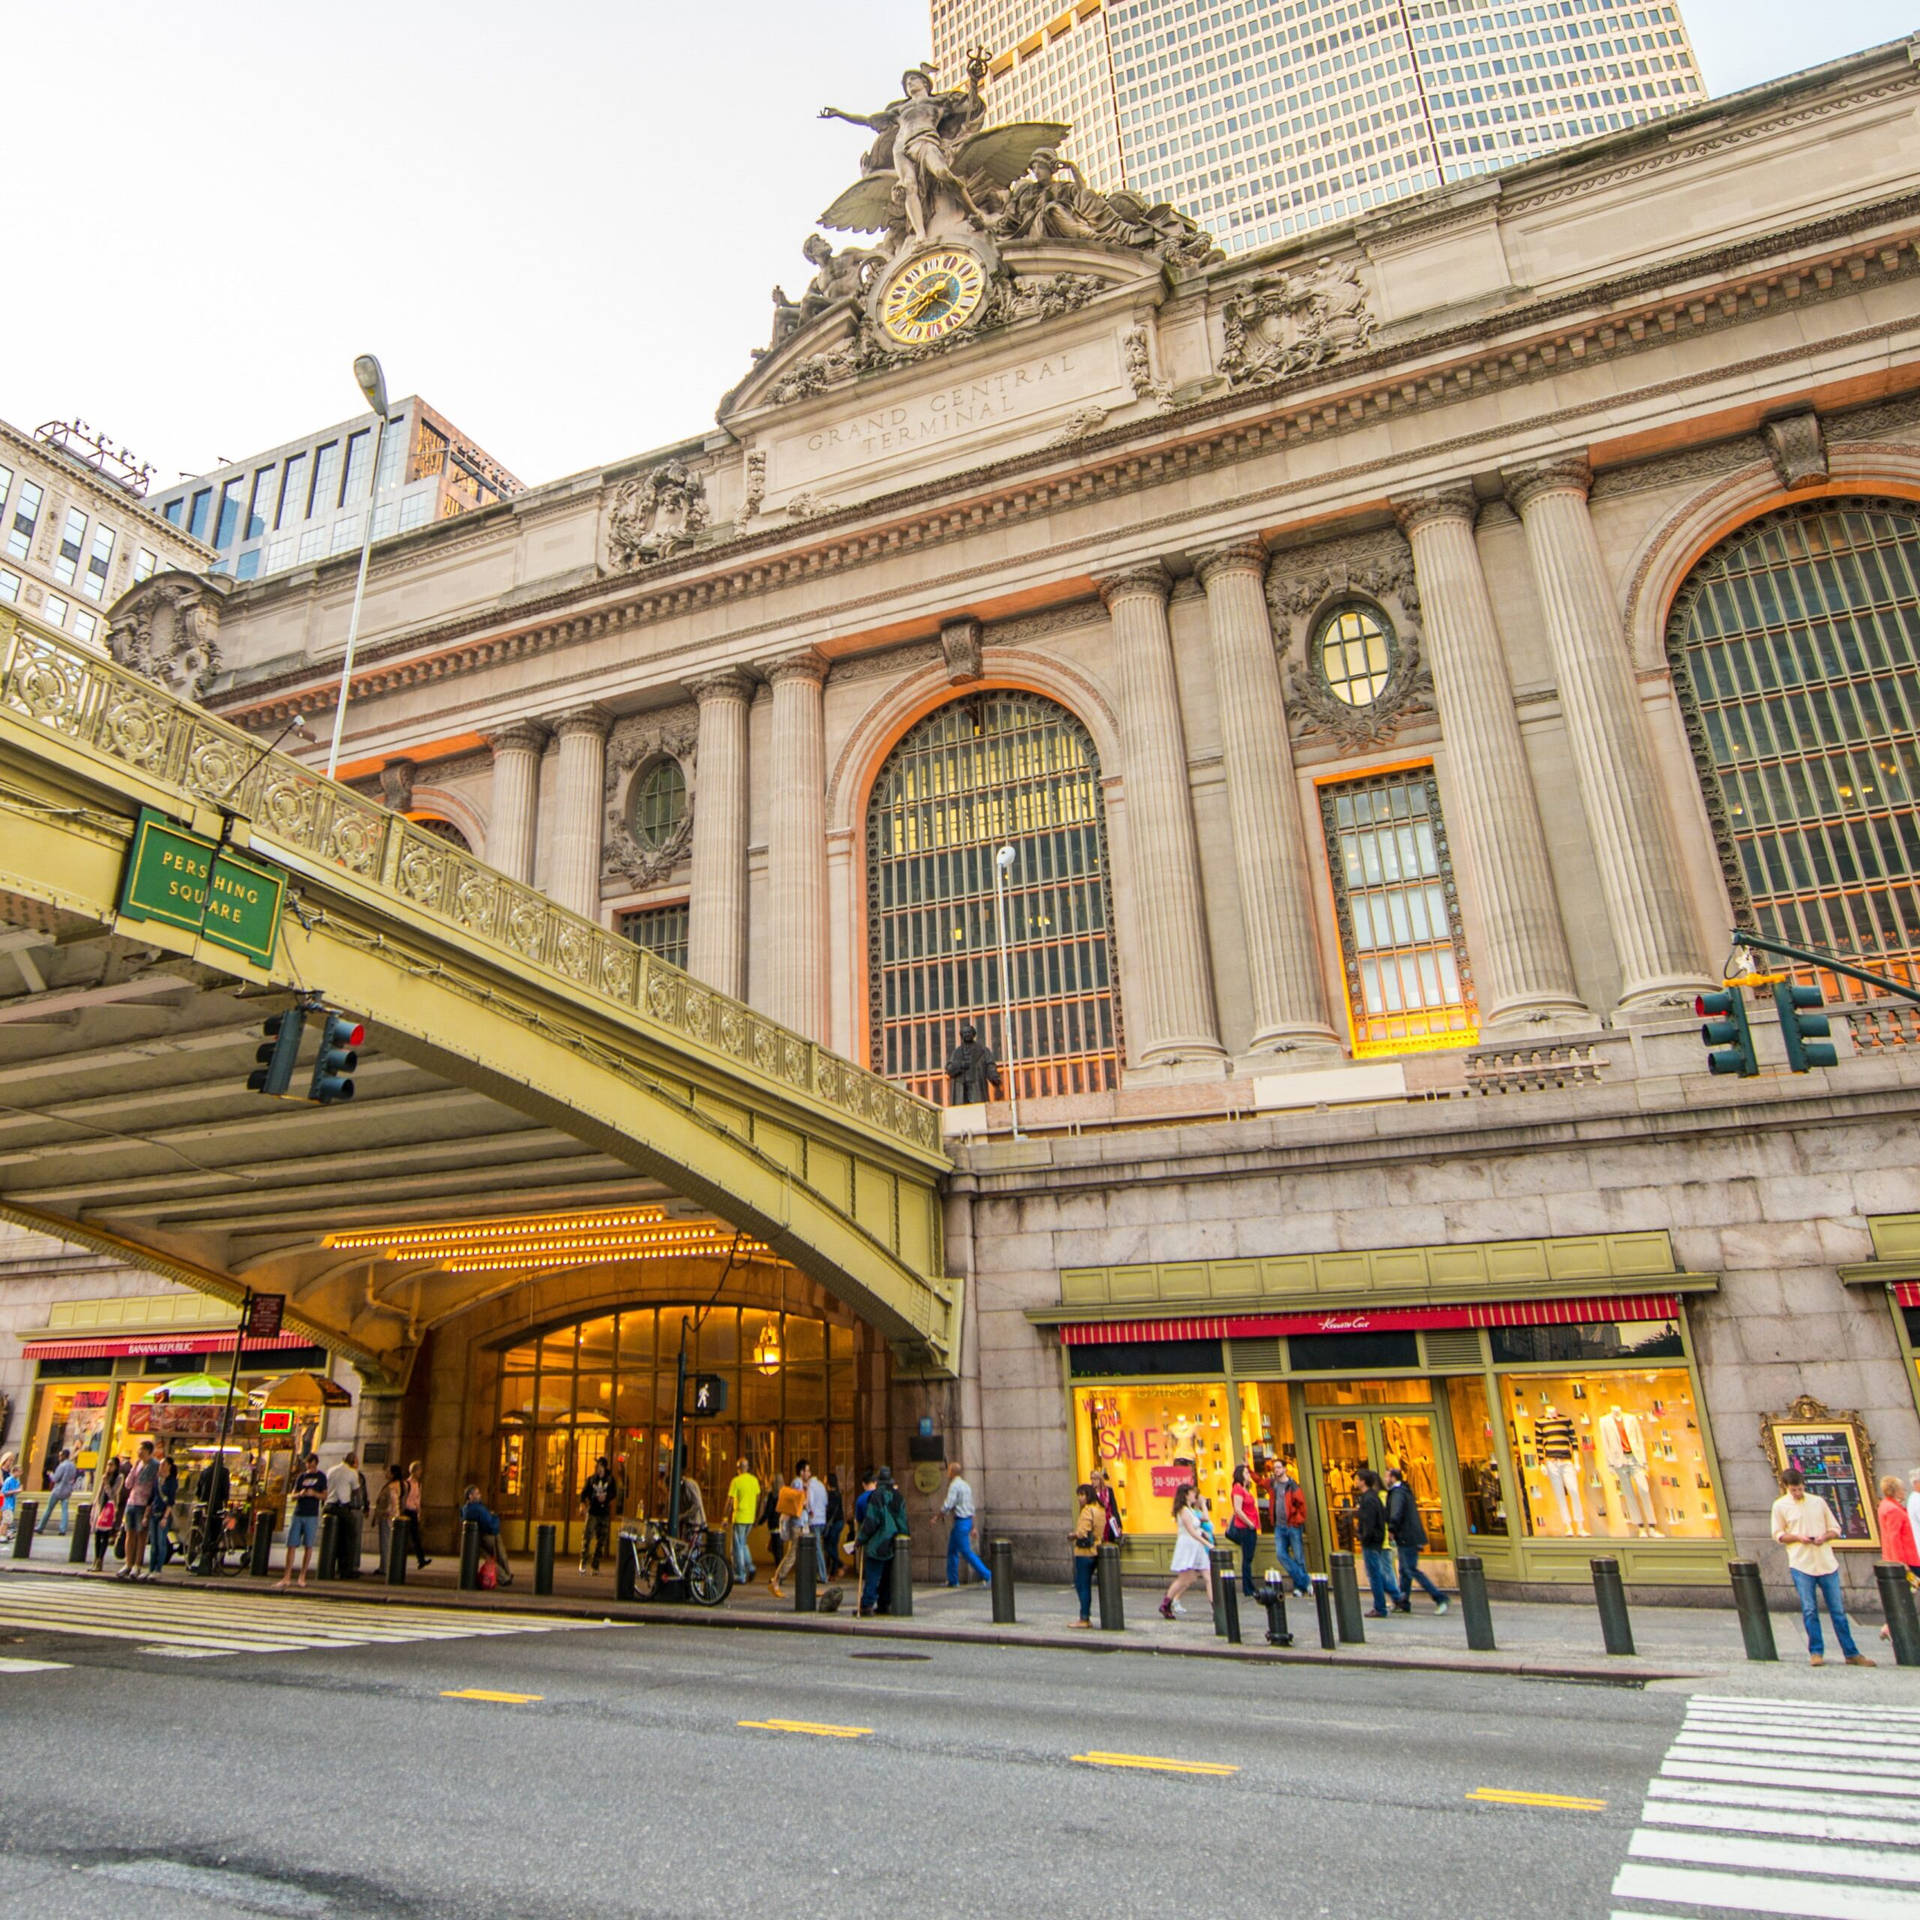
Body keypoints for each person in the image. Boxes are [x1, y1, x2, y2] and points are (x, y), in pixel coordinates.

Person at [1772, 1465, 1874, 1667]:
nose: (1798, 1492)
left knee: (1838, 1611)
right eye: (1794, 1490)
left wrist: (1824, 1537)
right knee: (1809, 1610)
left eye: (1800, 1488)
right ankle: (1816, 1652)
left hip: (1826, 1562)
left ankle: (1851, 1652)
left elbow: (1835, 1528)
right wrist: (1798, 1537)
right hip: (1801, 1563)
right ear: (1786, 1488)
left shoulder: (1818, 1502)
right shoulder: (1780, 1506)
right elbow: (1778, 1534)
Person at [1386, 1465, 1449, 1615]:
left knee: (1410, 1570)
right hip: (1409, 1536)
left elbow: (1396, 1513)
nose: (1385, 1479)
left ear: (1393, 1478)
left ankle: (1440, 1598)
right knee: (1405, 1570)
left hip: (1407, 1536)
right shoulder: (1404, 1491)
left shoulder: (1398, 1494)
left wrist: (1391, 1529)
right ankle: (1403, 1602)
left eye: (1387, 1476)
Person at [856, 1465, 909, 1617]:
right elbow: (903, 1521)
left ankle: (867, 1605)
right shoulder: (898, 1496)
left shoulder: (876, 1496)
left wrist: (860, 1539)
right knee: (887, 1574)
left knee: (873, 1573)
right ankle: (884, 1603)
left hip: (879, 1541)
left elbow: (871, 1520)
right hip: (895, 1542)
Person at [275, 1451, 328, 1590]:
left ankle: (302, 1576)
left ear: (316, 1464)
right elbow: (292, 1495)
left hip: (311, 1514)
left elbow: (324, 1496)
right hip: (298, 1513)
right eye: (308, 1465)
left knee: (308, 1546)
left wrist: (314, 1494)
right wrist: (301, 1494)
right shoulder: (301, 1477)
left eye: (312, 1465)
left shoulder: (321, 1477)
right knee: (291, 1545)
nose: (309, 1468)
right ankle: (287, 1576)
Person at [1159, 1482, 1212, 1620]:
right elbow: (1191, 1531)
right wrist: (1207, 1543)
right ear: (1186, 1495)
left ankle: (1215, 1607)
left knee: (1206, 1575)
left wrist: (1204, 1504)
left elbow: (1204, 1519)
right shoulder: (1183, 1510)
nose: (1195, 1494)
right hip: (1188, 1546)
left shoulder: (1189, 1510)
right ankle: (1166, 1603)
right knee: (1185, 1578)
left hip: (1196, 1546)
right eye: (1192, 1492)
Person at [1877, 1475, 1919, 1643]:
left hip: (1906, 1558)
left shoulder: (1888, 1506)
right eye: (1902, 1489)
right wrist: (1901, 1564)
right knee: (1908, 1593)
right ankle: (1890, 1627)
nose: (1904, 1492)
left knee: (1909, 1593)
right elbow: (1894, 1538)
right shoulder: (1893, 1510)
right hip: (1908, 1559)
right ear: (1895, 1491)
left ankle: (1889, 1627)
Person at [940, 1461, 993, 1589]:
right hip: (966, 1520)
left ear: (951, 1472)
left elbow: (949, 1503)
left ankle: (988, 1575)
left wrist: (939, 1514)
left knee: (966, 1551)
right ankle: (953, 1580)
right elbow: (971, 1507)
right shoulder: (966, 1485)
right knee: (952, 1550)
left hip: (960, 1521)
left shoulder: (954, 1486)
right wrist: (973, 1526)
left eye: (949, 1471)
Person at [1355, 1468, 1398, 1619]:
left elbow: (1370, 1522)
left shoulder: (1369, 1499)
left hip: (1372, 1542)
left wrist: (1364, 1537)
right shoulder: (1372, 1497)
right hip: (1375, 1541)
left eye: (1357, 1478)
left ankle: (1380, 1606)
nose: (1355, 1481)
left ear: (1363, 1481)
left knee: (1375, 1575)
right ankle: (1397, 1598)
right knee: (1377, 1574)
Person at [119, 1440, 160, 1582]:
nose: (138, 1452)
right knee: (129, 1533)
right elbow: (128, 1484)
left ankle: (137, 1564)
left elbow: (155, 1486)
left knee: (141, 1535)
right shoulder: (138, 1464)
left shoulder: (154, 1466)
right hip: (132, 1501)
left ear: (148, 1451)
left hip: (144, 1503)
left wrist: (150, 1506)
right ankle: (128, 1563)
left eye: (141, 1449)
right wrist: (134, 1468)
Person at [1270, 1461, 1312, 1596]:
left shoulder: (1292, 1485)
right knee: (1280, 1554)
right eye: (1274, 1468)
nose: (1276, 1470)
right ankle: (1305, 1581)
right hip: (1279, 1526)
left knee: (1298, 1556)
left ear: (1285, 1469)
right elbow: (1259, 1481)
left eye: (1278, 1467)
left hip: (1292, 1525)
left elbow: (1302, 1504)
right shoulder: (1274, 1485)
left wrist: (1297, 1520)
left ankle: (1299, 1587)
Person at [460, 1485, 514, 1585]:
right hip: (489, 1535)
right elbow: (490, 1524)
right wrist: (495, 1517)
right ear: (470, 1496)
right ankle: (505, 1577)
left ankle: (506, 1575)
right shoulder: (478, 1509)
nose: (480, 1495)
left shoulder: (466, 1509)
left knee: (497, 1555)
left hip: (483, 1535)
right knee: (495, 1557)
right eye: (477, 1493)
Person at [721, 1457, 760, 1584]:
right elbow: (758, 1498)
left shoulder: (736, 1481)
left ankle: (740, 1574)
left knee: (738, 1547)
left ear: (738, 1468)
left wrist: (725, 1516)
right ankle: (750, 1567)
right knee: (743, 1544)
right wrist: (756, 1516)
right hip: (750, 1517)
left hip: (739, 1516)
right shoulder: (754, 1480)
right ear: (747, 1467)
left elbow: (730, 1500)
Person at [1071, 1482, 1105, 1626]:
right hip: (1097, 1548)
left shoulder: (1087, 1511)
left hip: (1084, 1551)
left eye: (1082, 1495)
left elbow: (1082, 1532)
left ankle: (1084, 1618)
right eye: (1079, 1495)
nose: (1080, 1498)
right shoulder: (1100, 1509)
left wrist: (1073, 1535)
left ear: (1088, 1495)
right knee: (1086, 1584)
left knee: (1082, 1585)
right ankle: (1085, 1616)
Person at [1226, 1464, 1261, 1600]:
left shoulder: (1245, 1489)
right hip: (1245, 1528)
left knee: (1248, 1557)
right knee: (1247, 1558)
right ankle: (1248, 1588)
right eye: (1246, 1473)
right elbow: (1238, 1509)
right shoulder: (1238, 1489)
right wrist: (1249, 1523)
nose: (1248, 1475)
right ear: (1240, 1475)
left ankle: (1249, 1587)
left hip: (1250, 1527)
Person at [580, 1455, 618, 1574]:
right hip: (593, 1511)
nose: (597, 1468)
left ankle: (595, 1565)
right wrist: (582, 1504)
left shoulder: (610, 1480)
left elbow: (614, 1493)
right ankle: (583, 1561)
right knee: (587, 1536)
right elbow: (584, 1492)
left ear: (604, 1467)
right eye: (597, 1466)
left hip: (604, 1513)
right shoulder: (591, 1479)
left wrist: (606, 1497)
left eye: (600, 1466)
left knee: (601, 1540)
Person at [325, 1452, 361, 1575]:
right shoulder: (352, 1472)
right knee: (350, 1536)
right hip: (342, 1507)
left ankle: (327, 1566)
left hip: (328, 1506)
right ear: (353, 1462)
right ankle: (346, 1569)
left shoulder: (331, 1470)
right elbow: (356, 1491)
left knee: (333, 1537)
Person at [148, 1452, 180, 1577]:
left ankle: (158, 1569)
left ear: (169, 1466)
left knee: (161, 1542)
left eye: (163, 1464)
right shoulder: (157, 1480)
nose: (161, 1467)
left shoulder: (172, 1482)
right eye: (160, 1464)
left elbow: (171, 1501)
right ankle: (151, 1568)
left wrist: (165, 1517)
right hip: (154, 1512)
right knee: (154, 1543)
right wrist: (147, 1514)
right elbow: (152, 1497)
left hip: (163, 1514)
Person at [91, 1457, 123, 1572]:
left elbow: (113, 1494)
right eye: (108, 1464)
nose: (109, 1467)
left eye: (111, 1465)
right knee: (97, 1535)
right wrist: (95, 1504)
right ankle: (95, 1559)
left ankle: (100, 1560)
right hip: (101, 1506)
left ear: (116, 1467)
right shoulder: (104, 1476)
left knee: (104, 1535)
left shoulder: (119, 1478)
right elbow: (99, 1492)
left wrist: (106, 1483)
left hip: (109, 1507)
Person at [401, 1460, 432, 1569]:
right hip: (406, 1511)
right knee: (403, 1537)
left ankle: (421, 1559)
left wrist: (419, 1512)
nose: (421, 1473)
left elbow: (418, 1499)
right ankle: (400, 1558)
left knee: (415, 1537)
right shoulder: (406, 1484)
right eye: (419, 1470)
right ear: (413, 1471)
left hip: (413, 1512)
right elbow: (403, 1498)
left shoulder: (418, 1484)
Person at [374, 1464, 404, 1571]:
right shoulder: (399, 1484)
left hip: (388, 1517)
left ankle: (385, 1566)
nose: (386, 1473)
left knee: (385, 1542)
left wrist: (388, 1513)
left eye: (388, 1472)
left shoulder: (392, 1486)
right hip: (392, 1516)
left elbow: (393, 1502)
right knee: (388, 1542)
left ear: (393, 1474)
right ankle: (386, 1565)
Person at [44, 1449, 78, 1535]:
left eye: (60, 1455)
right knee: (65, 1510)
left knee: (49, 1509)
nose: (59, 1457)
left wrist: (50, 1474)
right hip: (67, 1491)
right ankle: (63, 1529)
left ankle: (40, 1526)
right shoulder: (73, 1466)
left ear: (64, 1456)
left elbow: (55, 1478)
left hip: (58, 1490)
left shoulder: (62, 1466)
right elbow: (73, 1478)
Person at [1089, 1466, 1124, 1547]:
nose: (1093, 1481)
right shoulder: (1090, 1492)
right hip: (1097, 1525)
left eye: (1095, 1479)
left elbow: (1114, 1508)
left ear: (1100, 1479)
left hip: (1109, 1523)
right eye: (1091, 1479)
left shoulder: (1108, 1491)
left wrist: (1119, 1525)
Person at [823, 1471, 847, 1577]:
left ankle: (841, 1564)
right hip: (839, 1522)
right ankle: (833, 1572)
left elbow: (830, 1510)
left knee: (828, 1546)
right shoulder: (838, 1493)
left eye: (825, 1478)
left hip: (834, 1523)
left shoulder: (830, 1495)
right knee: (833, 1546)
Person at [0, 1453, 19, 1544]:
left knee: (6, 1516)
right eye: (9, 1460)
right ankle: (2, 1533)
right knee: (5, 1515)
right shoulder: (1, 1470)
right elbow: (2, 1484)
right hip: (2, 1495)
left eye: (12, 1460)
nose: (10, 1462)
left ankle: (4, 1533)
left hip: (8, 1497)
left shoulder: (10, 1472)